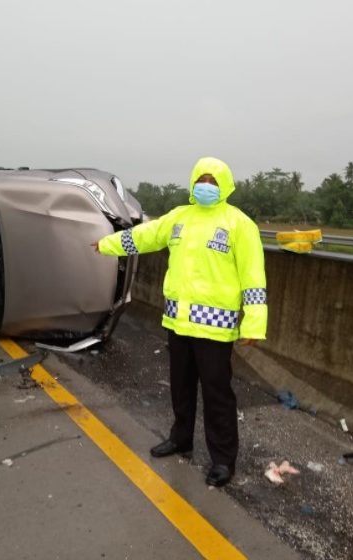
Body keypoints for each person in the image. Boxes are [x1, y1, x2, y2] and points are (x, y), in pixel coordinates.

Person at [94, 157, 267, 487]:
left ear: (224, 185)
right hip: (178, 322)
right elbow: (145, 236)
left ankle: (222, 460)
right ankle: (181, 438)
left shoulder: (239, 224)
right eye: (201, 179)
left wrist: (254, 324)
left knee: (217, 395)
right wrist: (106, 244)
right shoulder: (178, 218)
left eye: (212, 181)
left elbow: (253, 277)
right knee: (180, 387)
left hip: (215, 327)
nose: (205, 186)